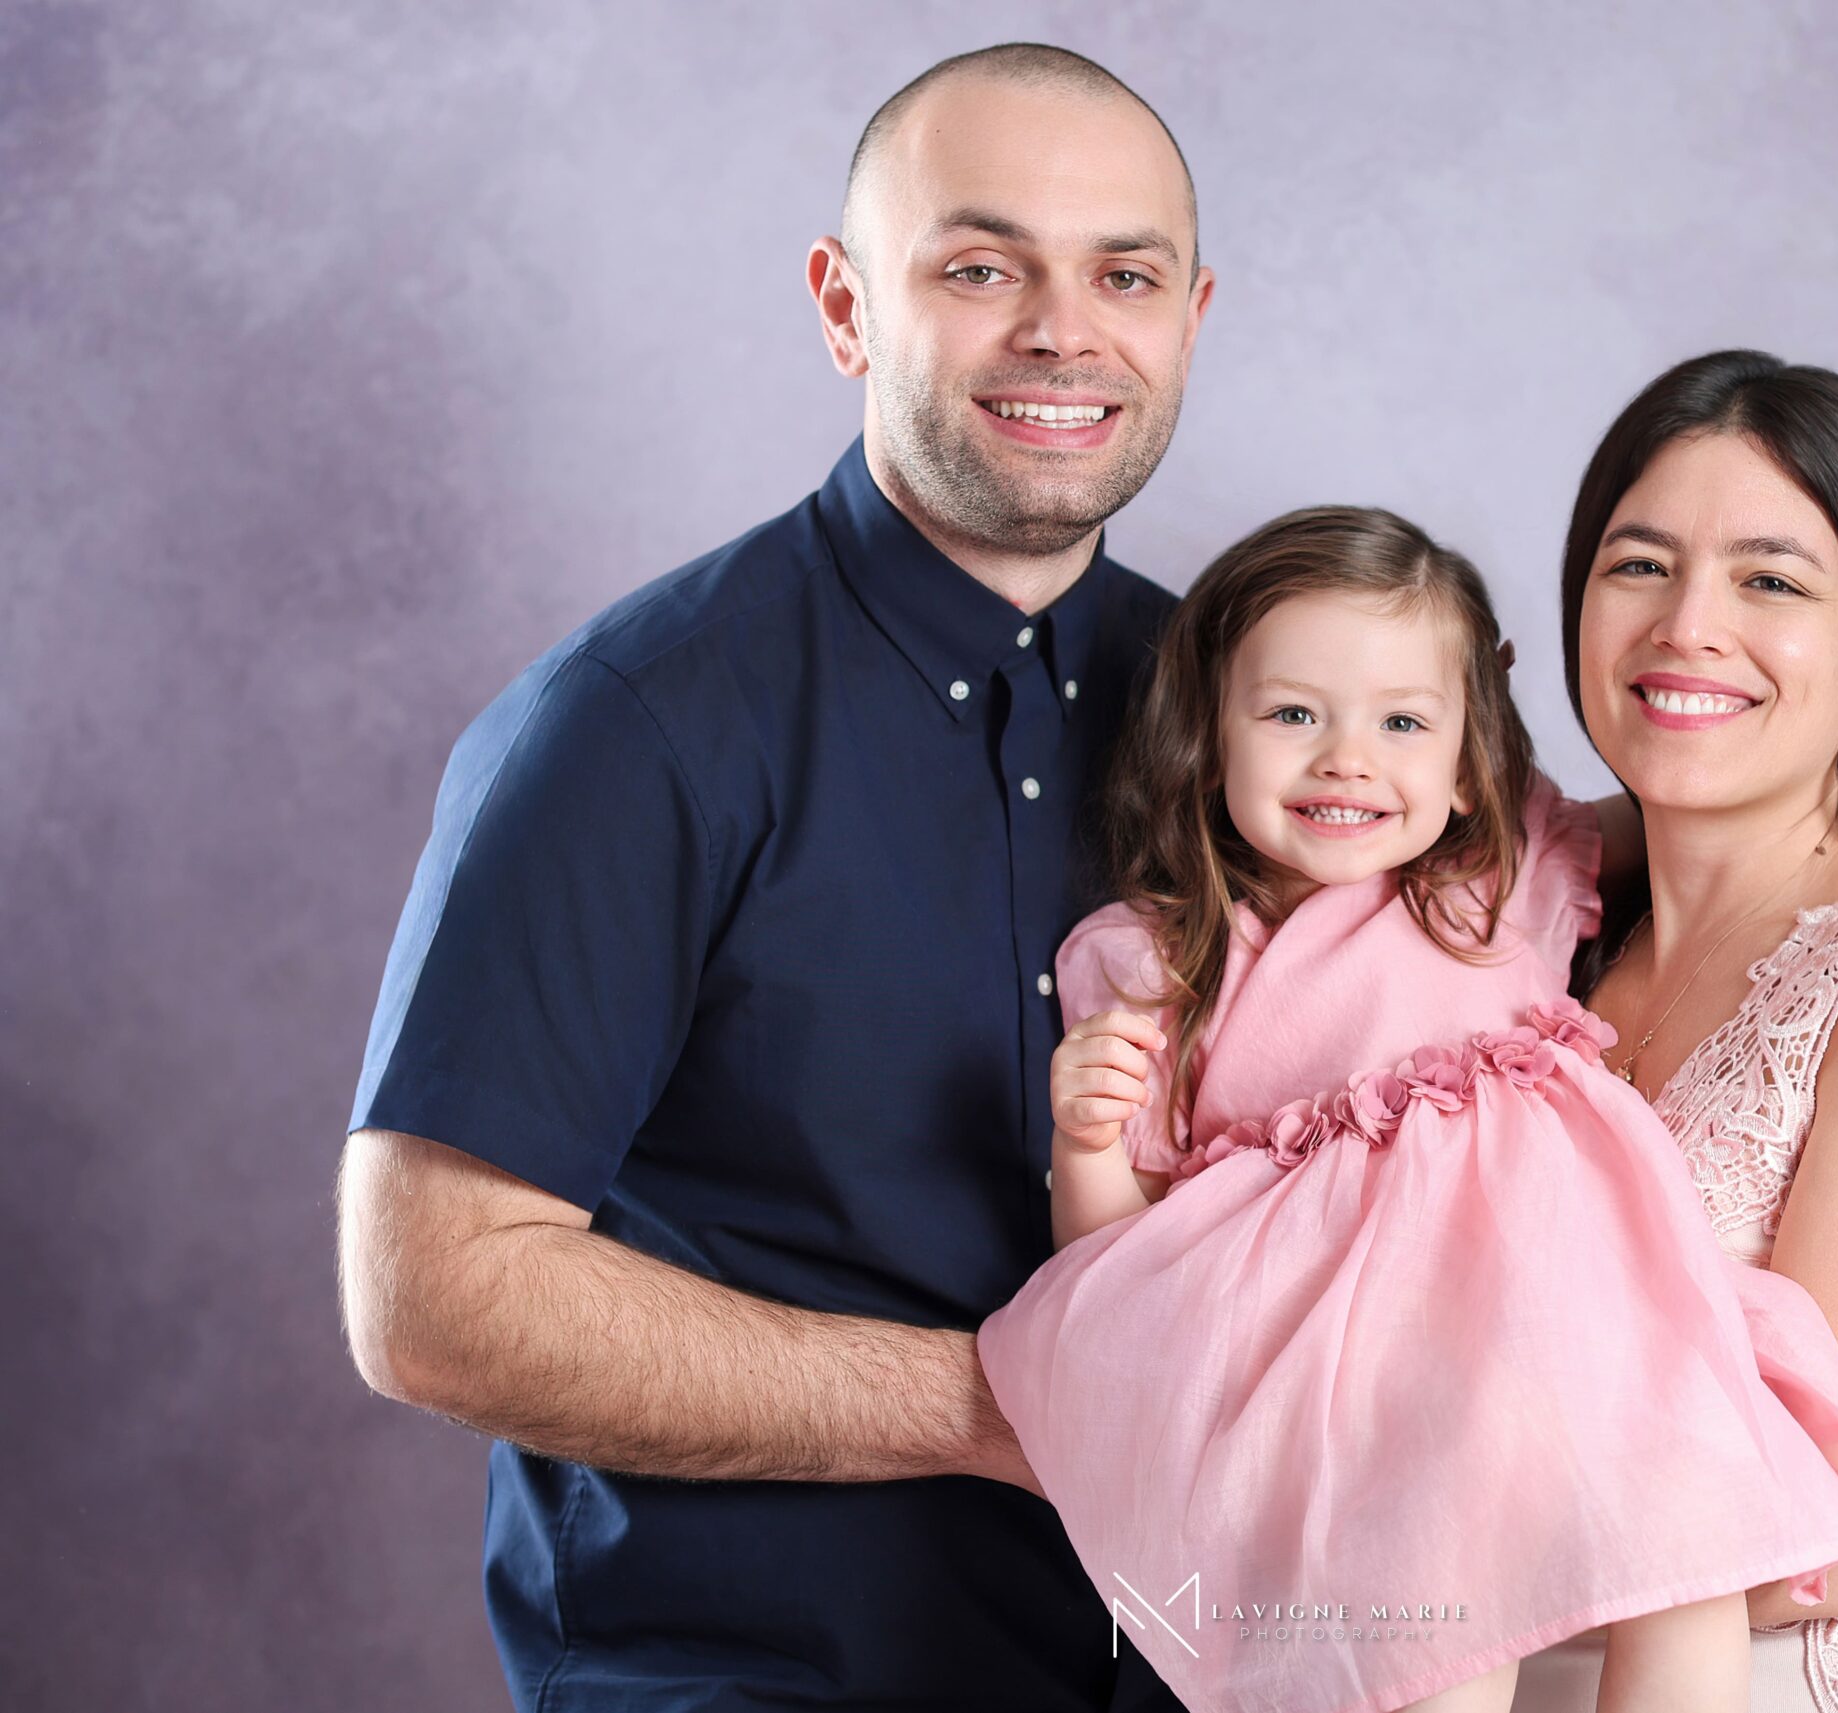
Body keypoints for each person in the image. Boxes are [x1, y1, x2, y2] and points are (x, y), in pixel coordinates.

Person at [334, 44, 1217, 1710]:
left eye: (1124, 273)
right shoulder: (634, 727)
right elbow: (436, 1295)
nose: (1062, 328)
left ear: (1191, 313)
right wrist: (999, 1405)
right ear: (844, 305)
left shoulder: (1238, 710)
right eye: (979, 266)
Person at [977, 505, 1838, 1713]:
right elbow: (1118, 1275)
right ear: (1206, 739)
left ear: (1468, 766)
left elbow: (1696, 826)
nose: (1349, 759)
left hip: (1569, 1316)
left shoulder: (1497, 873)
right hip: (1358, 1386)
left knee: (1691, 1561)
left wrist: (1812, 836)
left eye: (1403, 723)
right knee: (1432, 1631)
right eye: (1294, 714)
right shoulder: (1155, 962)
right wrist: (1086, 1144)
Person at [1506, 352, 1838, 1708]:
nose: (1689, 625)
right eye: (1639, 565)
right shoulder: (1528, 935)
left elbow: (1826, 1531)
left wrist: (1365, 1540)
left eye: (1770, 581)